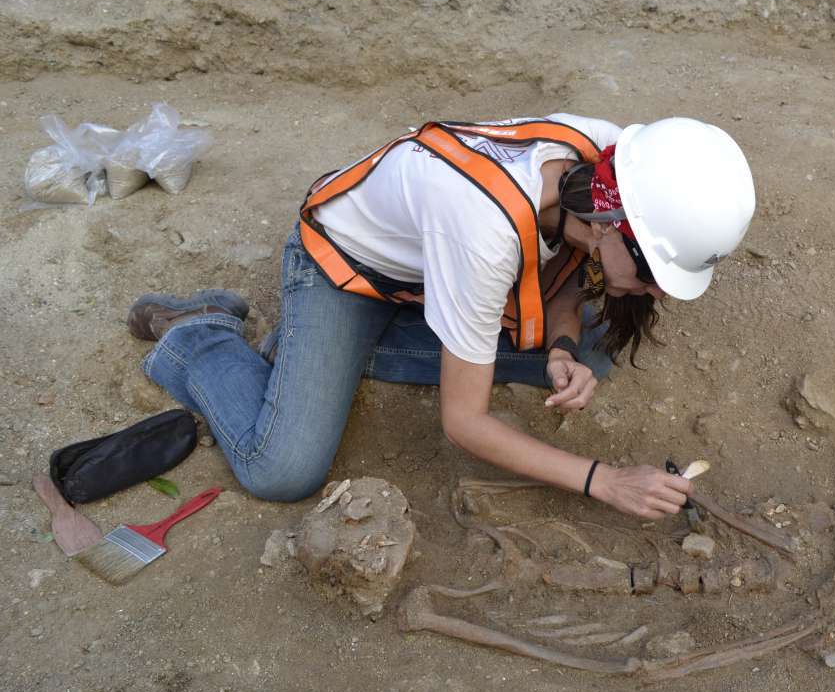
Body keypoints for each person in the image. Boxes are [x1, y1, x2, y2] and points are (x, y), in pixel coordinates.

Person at [127, 113, 755, 519]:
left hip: (434, 270)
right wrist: (606, 481)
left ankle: (313, 356)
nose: (657, 292)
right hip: (343, 267)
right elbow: (465, 423)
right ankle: (200, 336)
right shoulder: (483, 232)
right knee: (282, 470)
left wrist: (561, 348)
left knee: (590, 347)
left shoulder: (611, 170)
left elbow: (566, 271)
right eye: (650, 271)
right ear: (609, 225)